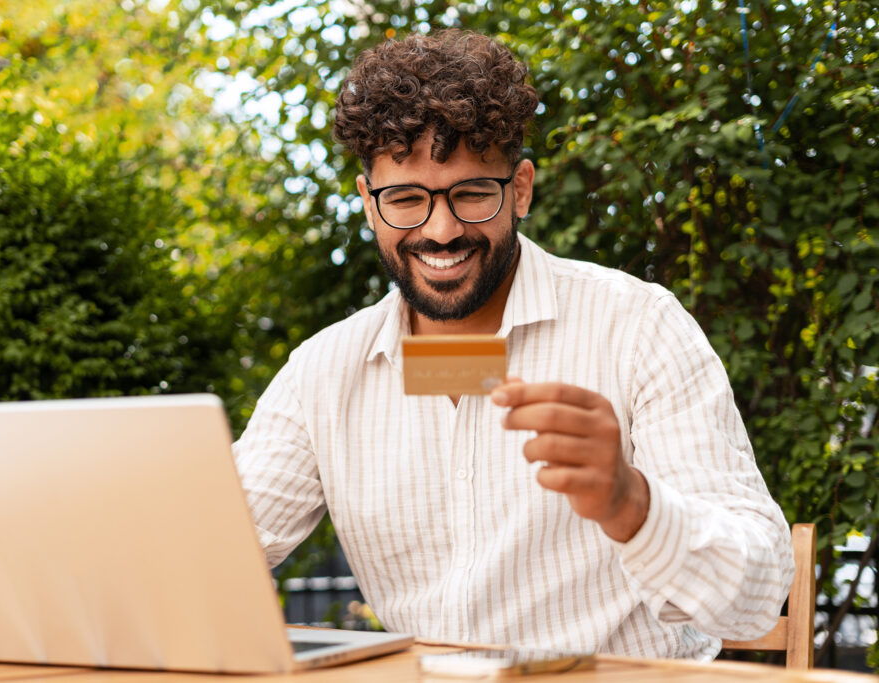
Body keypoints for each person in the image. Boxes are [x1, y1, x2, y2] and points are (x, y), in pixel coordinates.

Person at [233, 29, 794, 659]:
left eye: (472, 194)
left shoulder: (638, 327)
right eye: (406, 199)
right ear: (369, 203)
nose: (441, 231)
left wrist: (632, 502)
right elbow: (211, 550)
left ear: (519, 188)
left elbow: (756, 595)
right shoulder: (323, 374)